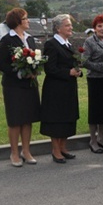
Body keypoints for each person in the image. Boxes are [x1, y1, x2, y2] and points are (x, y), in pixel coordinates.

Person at [0, 8, 41, 168]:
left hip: (30, 84)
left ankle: (26, 151)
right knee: (15, 120)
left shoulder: (30, 39)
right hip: (14, 85)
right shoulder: (7, 40)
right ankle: (14, 153)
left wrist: (35, 69)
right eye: (26, 18)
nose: (28, 20)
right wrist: (20, 73)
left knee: (28, 118)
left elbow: (35, 59)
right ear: (17, 21)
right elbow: (0, 64)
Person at [40, 14, 82, 164]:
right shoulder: (51, 44)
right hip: (56, 89)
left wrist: (77, 71)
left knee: (67, 117)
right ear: (58, 28)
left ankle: (64, 147)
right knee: (56, 119)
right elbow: (49, 68)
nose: (71, 28)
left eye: (70, 25)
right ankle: (55, 149)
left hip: (68, 87)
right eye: (67, 25)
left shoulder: (67, 44)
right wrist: (68, 72)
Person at [81, 14, 103, 154]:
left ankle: (101, 138)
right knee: (95, 111)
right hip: (95, 79)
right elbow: (85, 62)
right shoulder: (89, 41)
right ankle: (93, 140)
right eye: (99, 26)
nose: (102, 29)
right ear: (94, 28)